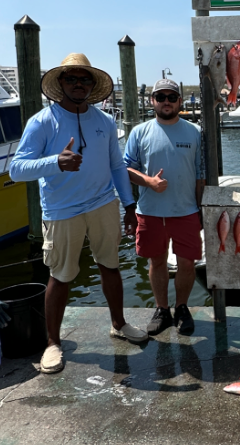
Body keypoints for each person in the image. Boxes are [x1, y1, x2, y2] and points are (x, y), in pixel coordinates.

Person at [9, 53, 147, 374]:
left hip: (103, 204)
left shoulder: (105, 121)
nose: (78, 84)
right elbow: (16, 169)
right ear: (60, 83)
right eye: (71, 78)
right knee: (60, 276)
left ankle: (119, 323)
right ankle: (53, 343)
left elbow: (116, 166)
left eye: (84, 79)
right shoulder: (42, 122)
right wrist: (55, 161)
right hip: (61, 210)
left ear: (92, 84)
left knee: (110, 266)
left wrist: (129, 205)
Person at [124, 79, 204, 335]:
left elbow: (201, 173)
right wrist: (148, 181)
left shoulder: (195, 131)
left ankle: (182, 307)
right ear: (152, 101)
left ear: (180, 101)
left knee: (187, 263)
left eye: (172, 97)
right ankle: (162, 309)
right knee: (156, 262)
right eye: (161, 97)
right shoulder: (139, 132)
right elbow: (125, 168)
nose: (166, 101)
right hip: (150, 211)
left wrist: (201, 209)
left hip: (187, 211)